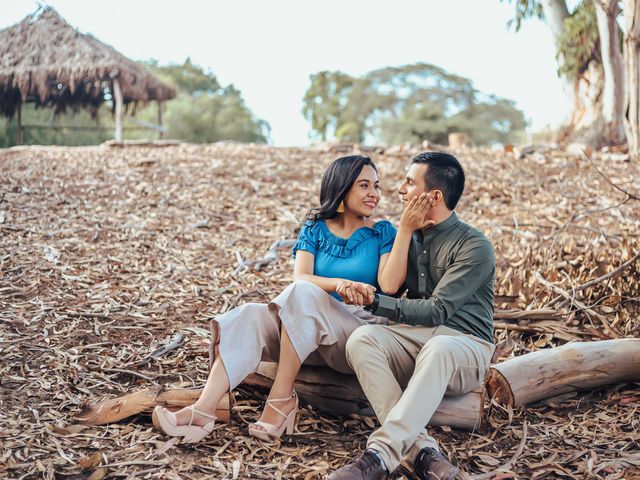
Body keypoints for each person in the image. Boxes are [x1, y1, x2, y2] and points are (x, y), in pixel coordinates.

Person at [152, 154, 404, 443]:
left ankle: (281, 398)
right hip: (306, 331)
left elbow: (390, 286)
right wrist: (339, 282)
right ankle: (203, 410)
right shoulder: (315, 229)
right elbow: (301, 278)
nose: (374, 193)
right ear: (343, 187)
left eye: (377, 186)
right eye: (364, 185)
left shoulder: (383, 232)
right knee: (249, 313)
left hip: (356, 333)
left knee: (304, 294)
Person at [326, 152, 496, 480]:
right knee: (362, 339)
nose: (400, 189)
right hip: (417, 339)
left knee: (440, 347)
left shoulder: (474, 245)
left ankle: (378, 456)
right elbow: (390, 288)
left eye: (409, 182)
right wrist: (404, 234)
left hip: (466, 346)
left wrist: (376, 304)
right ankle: (422, 452)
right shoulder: (409, 235)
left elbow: (437, 310)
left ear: (434, 196)